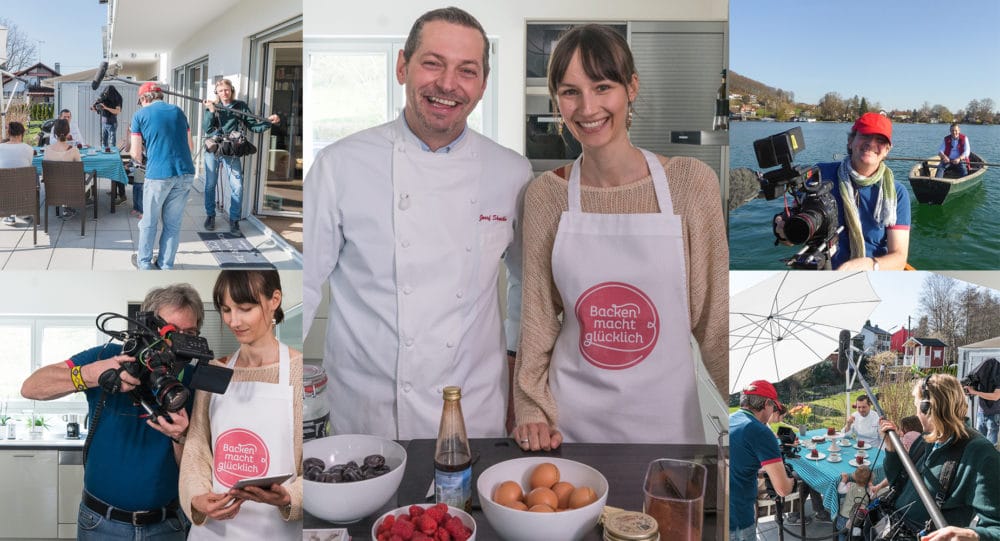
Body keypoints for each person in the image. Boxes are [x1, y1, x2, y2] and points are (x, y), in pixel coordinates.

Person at [302, 7, 533, 440]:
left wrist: (517, 369)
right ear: (402, 67)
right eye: (433, 63)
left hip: (474, 406)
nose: (448, 84)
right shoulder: (339, 166)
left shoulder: (512, 173)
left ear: (483, 84)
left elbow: (526, 283)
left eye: (467, 71)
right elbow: (306, 285)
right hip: (368, 411)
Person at [512, 24, 728, 450]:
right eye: (570, 91)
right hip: (570, 427)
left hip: (667, 428)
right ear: (557, 99)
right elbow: (537, 318)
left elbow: (716, 322)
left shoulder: (690, 184)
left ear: (631, 88)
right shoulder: (545, 195)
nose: (587, 107)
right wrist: (531, 408)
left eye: (602, 86)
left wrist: (741, 420)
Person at [20, 284, 203, 540]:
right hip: (100, 523)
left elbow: (195, 472)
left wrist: (181, 437)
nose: (177, 344)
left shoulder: (194, 382)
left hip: (167, 524)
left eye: (189, 334)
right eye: (171, 332)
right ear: (147, 327)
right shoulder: (109, 357)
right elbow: (31, 387)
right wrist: (90, 374)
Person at [180, 270, 302, 540]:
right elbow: (197, 448)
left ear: (274, 300)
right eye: (226, 310)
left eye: (245, 308)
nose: (234, 321)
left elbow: (313, 463)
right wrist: (197, 497)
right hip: (213, 530)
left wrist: (289, 496)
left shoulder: (299, 371)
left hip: (275, 530)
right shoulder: (214, 369)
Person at [778, 112, 910, 270]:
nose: (871, 143)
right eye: (865, 135)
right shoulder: (820, 175)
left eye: (880, 140)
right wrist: (784, 232)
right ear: (850, 141)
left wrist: (869, 265)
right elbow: (791, 233)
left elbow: (899, 258)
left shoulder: (898, 193)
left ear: (887, 150)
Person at [877, 374, 1000, 540]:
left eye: (916, 406)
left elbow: (996, 527)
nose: (916, 414)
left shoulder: (980, 453)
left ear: (927, 407)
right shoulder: (925, 439)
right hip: (893, 527)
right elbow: (896, 481)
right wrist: (891, 448)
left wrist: (973, 535)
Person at [201, 79, 280, 235]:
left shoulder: (240, 106)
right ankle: (210, 215)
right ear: (216, 92)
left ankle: (234, 219)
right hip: (214, 148)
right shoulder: (212, 106)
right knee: (210, 184)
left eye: (227, 90)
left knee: (237, 186)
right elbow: (207, 129)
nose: (224, 93)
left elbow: (254, 126)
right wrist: (210, 111)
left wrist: (269, 122)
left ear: (232, 90)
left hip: (231, 150)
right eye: (221, 90)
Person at [130, 81, 195, 270]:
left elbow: (135, 153)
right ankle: (165, 265)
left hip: (159, 174)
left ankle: (144, 264)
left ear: (143, 98)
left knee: (149, 222)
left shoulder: (140, 115)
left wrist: (144, 159)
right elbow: (190, 147)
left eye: (140, 101)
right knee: (173, 224)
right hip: (185, 172)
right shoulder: (178, 111)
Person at [729, 380, 797, 541]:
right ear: (767, 403)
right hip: (738, 519)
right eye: (773, 406)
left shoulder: (730, 419)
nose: (773, 410)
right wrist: (792, 479)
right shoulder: (759, 431)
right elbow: (782, 489)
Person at [93, 85, 127, 206]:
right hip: (103, 123)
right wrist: (95, 107)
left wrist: (106, 107)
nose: (106, 95)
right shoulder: (104, 98)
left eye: (107, 93)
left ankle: (112, 161)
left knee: (112, 146)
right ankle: (113, 188)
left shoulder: (117, 98)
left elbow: (117, 111)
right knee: (103, 145)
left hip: (112, 124)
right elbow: (98, 108)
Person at [44, 118, 84, 220]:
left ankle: (65, 207)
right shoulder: (74, 151)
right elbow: (79, 174)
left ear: (54, 133)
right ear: (68, 132)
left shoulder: (47, 150)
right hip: (71, 189)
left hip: (53, 189)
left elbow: (45, 175)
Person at [964, 357, 1000, 445]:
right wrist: (970, 389)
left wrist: (974, 392)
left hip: (994, 414)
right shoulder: (982, 375)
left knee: (990, 444)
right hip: (981, 412)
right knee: (979, 441)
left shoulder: (998, 375)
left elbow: (996, 396)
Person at [836, 466, 875, 541]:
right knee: (855, 538)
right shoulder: (869, 490)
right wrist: (870, 485)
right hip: (858, 521)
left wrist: (844, 479)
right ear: (870, 480)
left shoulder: (850, 485)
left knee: (842, 534)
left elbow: (840, 490)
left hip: (843, 517)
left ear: (854, 476)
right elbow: (873, 496)